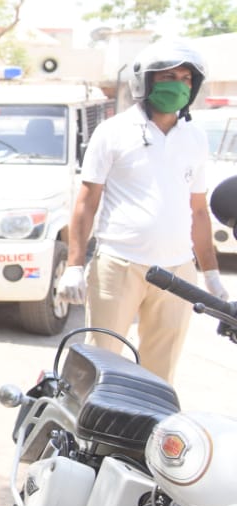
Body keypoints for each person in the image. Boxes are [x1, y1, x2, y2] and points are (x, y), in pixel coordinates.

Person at [57, 38, 226, 383]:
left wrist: (211, 275)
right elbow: (86, 203)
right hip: (120, 265)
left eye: (186, 78)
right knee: (98, 367)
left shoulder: (195, 137)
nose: (178, 85)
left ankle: (144, 435)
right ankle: (85, 434)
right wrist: (74, 266)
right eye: (168, 77)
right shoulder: (113, 132)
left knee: (159, 375)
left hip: (177, 272)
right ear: (145, 82)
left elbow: (198, 212)